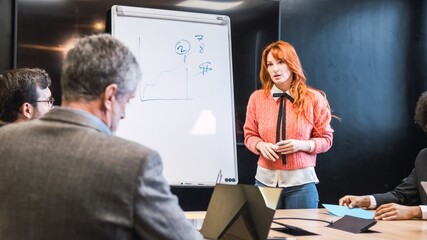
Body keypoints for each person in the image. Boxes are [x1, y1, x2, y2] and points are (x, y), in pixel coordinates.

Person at [0, 34, 203, 240]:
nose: (123, 113)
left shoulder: (4, 141)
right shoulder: (135, 163)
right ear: (110, 96)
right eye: (127, 101)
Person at [243, 40, 334, 209]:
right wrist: (260, 145)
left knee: (301, 235)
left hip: (301, 185)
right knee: (260, 234)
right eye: (270, 64)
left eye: (280, 62)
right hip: (264, 182)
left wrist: (301, 145)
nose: (275, 69)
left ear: (291, 63)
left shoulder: (313, 98)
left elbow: (326, 140)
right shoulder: (257, 98)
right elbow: (249, 135)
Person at [339, 91, 427, 221]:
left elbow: (413, 209)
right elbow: (401, 195)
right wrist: (365, 200)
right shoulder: (424, 157)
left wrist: (416, 211)